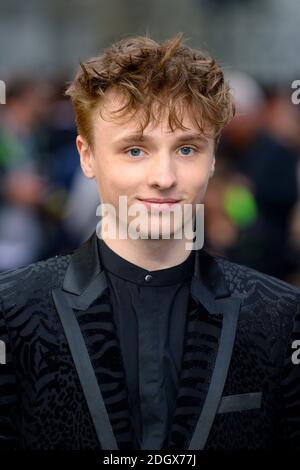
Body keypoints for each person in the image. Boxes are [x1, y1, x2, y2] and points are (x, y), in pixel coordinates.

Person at [0, 34, 299, 450]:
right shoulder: (11, 314)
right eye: (135, 150)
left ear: (214, 158)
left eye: (187, 148)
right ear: (87, 156)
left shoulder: (280, 317)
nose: (164, 177)